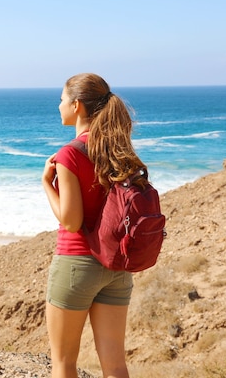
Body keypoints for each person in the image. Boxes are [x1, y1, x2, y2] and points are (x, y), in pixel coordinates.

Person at [42, 73, 146, 378]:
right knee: (114, 365)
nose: (58, 105)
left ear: (76, 106)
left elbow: (72, 221)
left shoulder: (70, 153)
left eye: (61, 99)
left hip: (76, 264)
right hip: (116, 267)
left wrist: (47, 184)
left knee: (64, 363)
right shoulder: (117, 151)